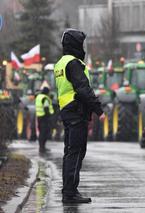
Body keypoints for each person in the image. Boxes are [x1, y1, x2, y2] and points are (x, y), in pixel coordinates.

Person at [54, 29, 104, 204]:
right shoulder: (73, 64)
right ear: (76, 44)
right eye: (81, 43)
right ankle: (70, 193)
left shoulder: (60, 63)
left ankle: (69, 190)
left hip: (67, 112)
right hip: (76, 112)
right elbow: (83, 88)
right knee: (75, 152)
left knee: (70, 152)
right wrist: (99, 110)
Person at [35, 86, 54, 153]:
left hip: (39, 117)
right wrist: (49, 116)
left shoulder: (39, 97)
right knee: (44, 132)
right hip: (44, 117)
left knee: (41, 132)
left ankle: (42, 147)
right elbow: (46, 108)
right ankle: (42, 147)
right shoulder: (45, 98)